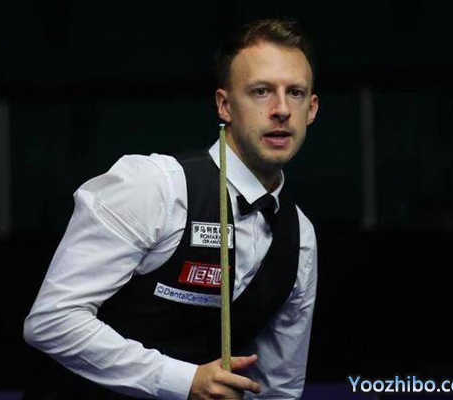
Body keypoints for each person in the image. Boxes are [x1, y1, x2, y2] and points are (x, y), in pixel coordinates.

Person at [23, 18, 319, 399]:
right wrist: (184, 381)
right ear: (225, 105)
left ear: (312, 109)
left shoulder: (300, 237)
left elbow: (278, 388)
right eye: (261, 91)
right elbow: (52, 321)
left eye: (295, 93)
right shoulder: (155, 187)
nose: (281, 109)